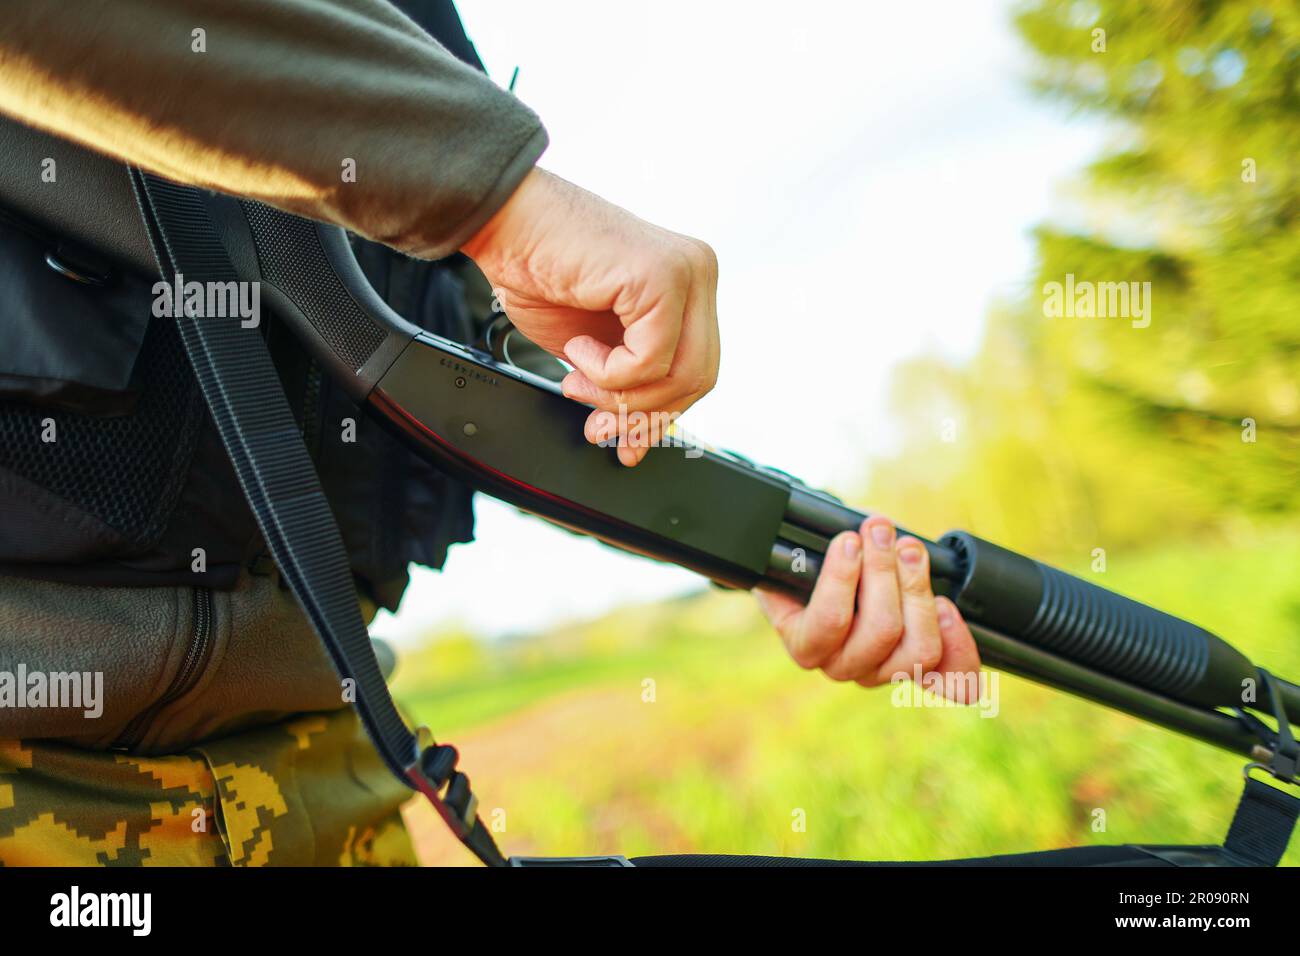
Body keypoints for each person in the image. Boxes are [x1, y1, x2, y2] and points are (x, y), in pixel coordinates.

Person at [0, 0, 978, 865]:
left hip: (332, 773)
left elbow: (457, 382)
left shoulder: (411, 26)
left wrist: (769, 548)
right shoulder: (453, 138)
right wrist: (493, 188)